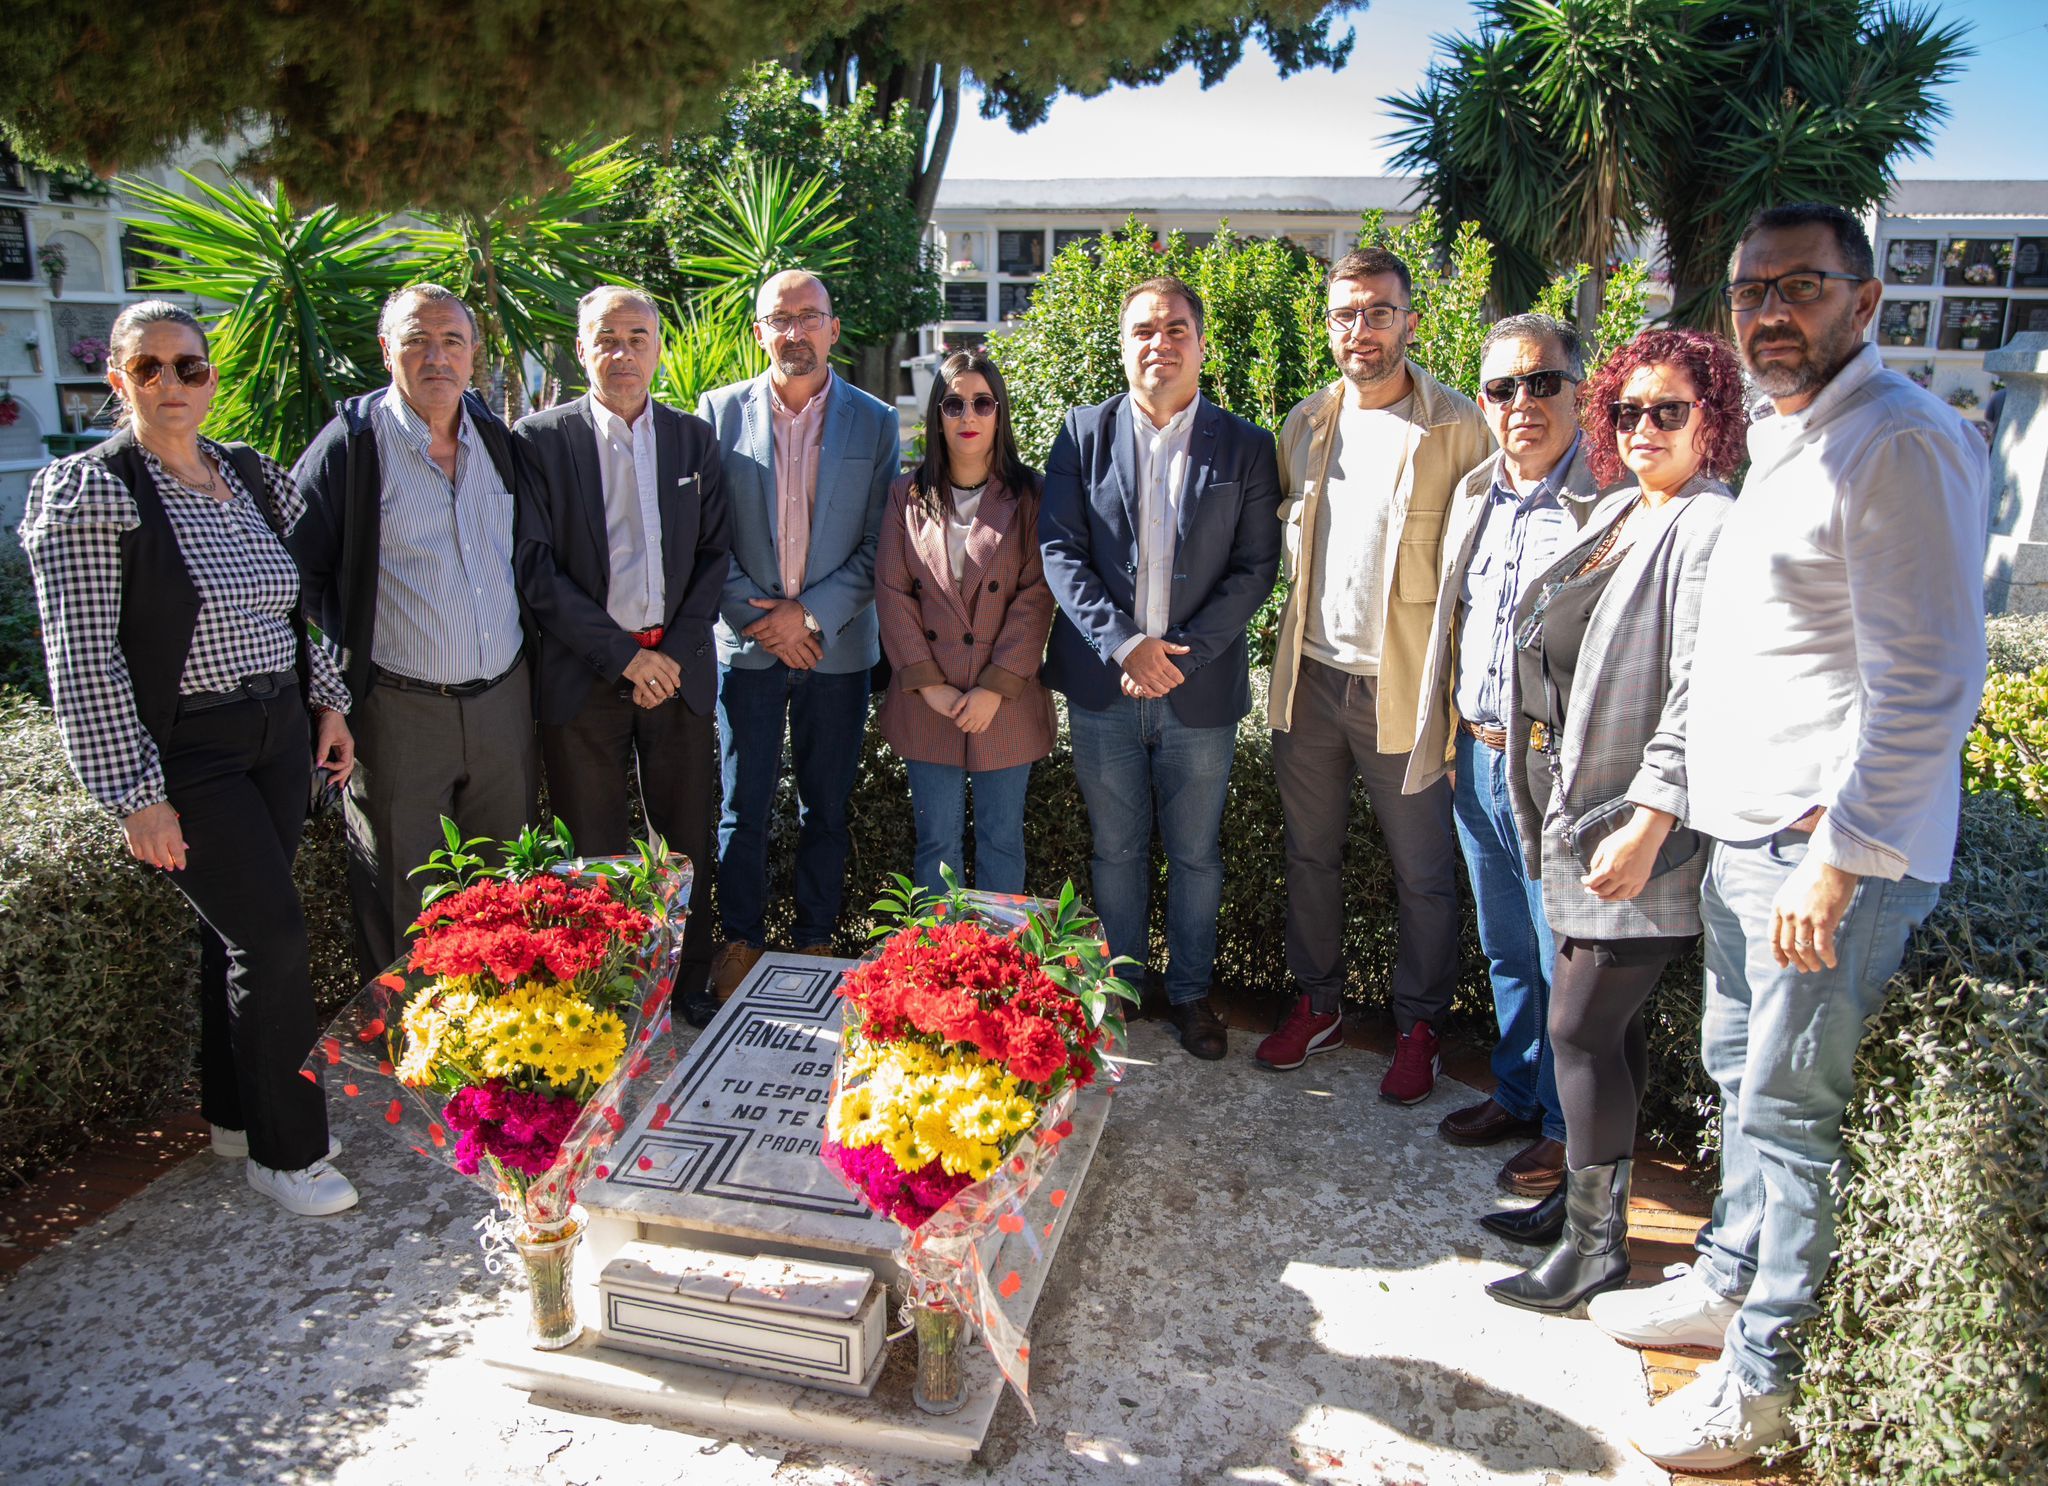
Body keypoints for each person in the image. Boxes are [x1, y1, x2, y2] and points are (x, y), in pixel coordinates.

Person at [1591, 203, 1990, 1474]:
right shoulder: (1784, 435)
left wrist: (1839, 853)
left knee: (1786, 1114)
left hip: (1823, 857)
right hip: (1747, 835)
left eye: (1800, 286)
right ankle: (1724, 1282)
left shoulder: (1897, 444)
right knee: (1737, 1078)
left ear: (1862, 303)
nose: (1769, 310)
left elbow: (1929, 680)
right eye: (1750, 289)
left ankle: (1757, 1387)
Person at [22, 300, 358, 1217]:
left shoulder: (245, 474)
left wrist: (327, 700)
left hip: (277, 731)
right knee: (273, 936)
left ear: (211, 379)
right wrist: (135, 794)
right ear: (118, 380)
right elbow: (82, 661)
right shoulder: (93, 492)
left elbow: (292, 607)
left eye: (189, 366)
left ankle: (236, 1118)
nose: (172, 382)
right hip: (189, 749)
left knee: (237, 935)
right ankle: (287, 1155)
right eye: (150, 367)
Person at [1480, 327, 1746, 1311]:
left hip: (1638, 832)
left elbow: (1699, 690)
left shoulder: (1708, 526)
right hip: (1584, 814)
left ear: (1711, 418)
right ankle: (1586, 1213)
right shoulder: (1632, 508)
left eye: (1667, 409)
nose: (1643, 426)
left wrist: (1647, 823)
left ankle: (1594, 1251)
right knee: (1608, 1032)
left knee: (1579, 1026)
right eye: (1627, 409)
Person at [1257, 249, 1489, 1089]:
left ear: (1410, 322)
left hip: (1408, 694)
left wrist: (1462, 707)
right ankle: (1318, 1004)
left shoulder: (1462, 428)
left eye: (1378, 312)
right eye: (1345, 314)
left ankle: (1419, 1026)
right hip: (1312, 682)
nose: (1361, 329)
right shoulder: (1303, 424)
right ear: (1328, 327)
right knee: (1310, 856)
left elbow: (1482, 580)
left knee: (1422, 873)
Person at [1040, 275, 1281, 1060]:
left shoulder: (1245, 445)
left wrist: (1179, 655)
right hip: (1103, 688)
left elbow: (1255, 566)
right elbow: (1060, 551)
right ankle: (1121, 989)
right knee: (1114, 850)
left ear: (1201, 345)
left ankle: (1190, 993)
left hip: (1197, 690)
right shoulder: (1082, 433)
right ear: (1123, 346)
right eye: (1143, 329)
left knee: (1196, 854)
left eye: (1176, 328)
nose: (1160, 343)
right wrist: (1123, 645)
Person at [1409, 314, 1617, 1191]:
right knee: (1506, 948)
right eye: (1502, 388)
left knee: (1565, 955)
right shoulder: (1475, 495)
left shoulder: (1615, 502)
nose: (1522, 402)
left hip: (1557, 773)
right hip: (1479, 758)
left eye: (1542, 382)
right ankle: (1520, 1092)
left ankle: (1570, 1131)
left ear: (1580, 390)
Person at [290, 283, 537, 980]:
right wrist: (334, 684)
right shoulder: (351, 448)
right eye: (417, 341)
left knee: (507, 892)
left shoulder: (495, 438)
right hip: (398, 711)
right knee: (405, 896)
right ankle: (410, 1033)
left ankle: (504, 1032)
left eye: (452, 341)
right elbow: (290, 579)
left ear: (474, 352)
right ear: (385, 350)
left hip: (503, 705)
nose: (437, 357)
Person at [514, 286, 732, 1026]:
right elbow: (536, 568)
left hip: (678, 673)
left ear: (659, 348)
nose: (623, 352)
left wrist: (667, 656)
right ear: (581, 349)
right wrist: (623, 658)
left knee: (686, 841)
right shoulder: (539, 440)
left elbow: (714, 554)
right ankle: (605, 991)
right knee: (594, 849)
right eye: (607, 338)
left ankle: (688, 980)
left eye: (638, 337)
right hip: (584, 678)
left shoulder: (692, 439)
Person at [698, 271, 899, 994]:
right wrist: (764, 624)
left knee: (827, 808)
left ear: (833, 329)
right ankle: (740, 942)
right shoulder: (717, 413)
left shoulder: (875, 421)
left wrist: (807, 615)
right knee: (741, 808)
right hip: (747, 648)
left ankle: (815, 940)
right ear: (759, 332)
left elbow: (880, 542)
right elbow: (705, 539)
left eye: (809, 317)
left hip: (836, 648)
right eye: (779, 319)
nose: (795, 332)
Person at [876, 351, 1056, 896]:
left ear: (1000, 413)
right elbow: (892, 593)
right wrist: (929, 685)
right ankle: (937, 950)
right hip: (929, 700)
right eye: (953, 404)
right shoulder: (906, 495)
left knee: (1002, 841)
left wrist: (994, 689)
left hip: (1006, 700)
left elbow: (1036, 596)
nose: (968, 415)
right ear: (937, 416)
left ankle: (999, 948)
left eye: (982, 403)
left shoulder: (1031, 496)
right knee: (936, 845)